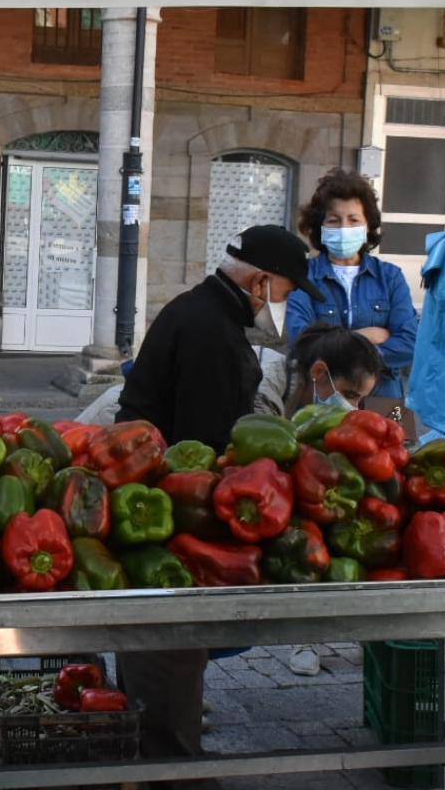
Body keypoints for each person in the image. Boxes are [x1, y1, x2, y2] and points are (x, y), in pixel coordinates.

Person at [112, 224, 321, 779]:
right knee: (172, 635)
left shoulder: (205, 312)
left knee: (157, 642)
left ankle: (156, 745)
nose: (286, 304)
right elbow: (202, 449)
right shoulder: (211, 331)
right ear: (259, 281)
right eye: (286, 291)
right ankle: (168, 762)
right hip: (170, 505)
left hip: (155, 492)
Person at [286, 168, 418, 401]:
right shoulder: (304, 277)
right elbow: (302, 345)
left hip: (387, 401)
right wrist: (365, 338)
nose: (344, 228)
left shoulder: (390, 277)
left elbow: (410, 343)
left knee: (400, 436)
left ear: (368, 226)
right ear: (320, 227)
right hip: (322, 404)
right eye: (334, 220)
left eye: (354, 219)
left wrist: (336, 349)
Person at [254, 322, 384, 418]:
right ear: (319, 372)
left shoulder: (299, 392)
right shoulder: (263, 392)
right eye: (349, 395)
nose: (353, 408)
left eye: (359, 401)